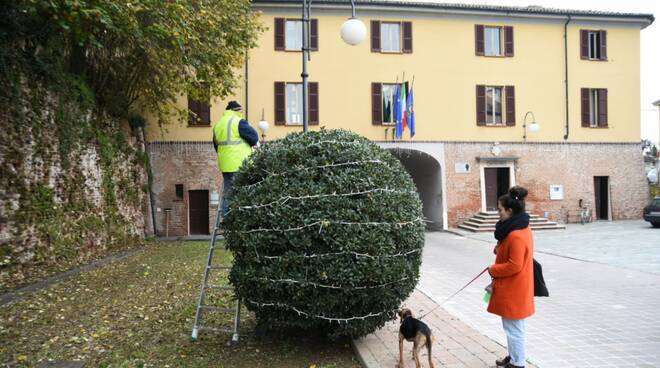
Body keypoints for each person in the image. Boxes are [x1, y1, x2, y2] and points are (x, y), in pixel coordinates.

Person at [487, 186, 534, 368]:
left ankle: (518, 363)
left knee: (514, 329)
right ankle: (514, 356)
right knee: (513, 328)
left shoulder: (515, 235)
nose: (497, 213)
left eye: (500, 209)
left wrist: (493, 269)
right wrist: (500, 249)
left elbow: (515, 265)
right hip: (516, 286)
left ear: (510, 211)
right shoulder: (519, 227)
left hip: (515, 288)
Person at [213, 101, 259, 219]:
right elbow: (254, 137)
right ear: (237, 110)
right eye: (241, 111)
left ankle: (227, 218)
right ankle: (243, 219)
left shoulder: (218, 125)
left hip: (225, 165)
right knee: (245, 192)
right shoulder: (239, 122)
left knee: (228, 193)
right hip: (240, 163)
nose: (242, 113)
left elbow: (216, 145)